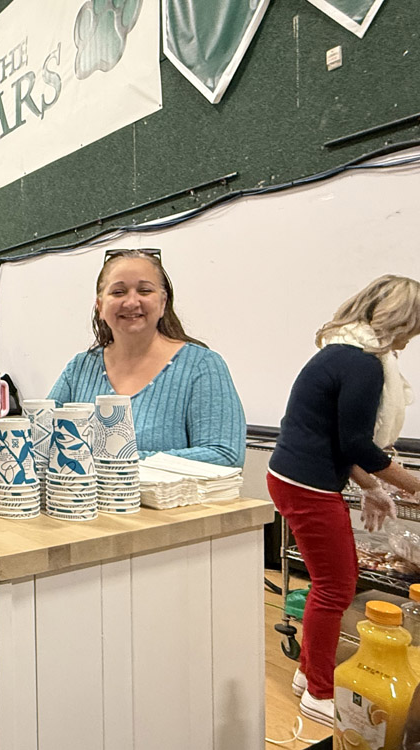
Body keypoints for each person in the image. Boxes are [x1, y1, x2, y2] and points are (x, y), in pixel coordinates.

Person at [268, 274, 420, 726]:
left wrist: (373, 488)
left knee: (332, 582)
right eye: (414, 328)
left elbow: (338, 439)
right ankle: (319, 692)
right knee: (336, 587)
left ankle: (307, 673)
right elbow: (357, 445)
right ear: (401, 320)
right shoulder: (362, 363)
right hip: (307, 483)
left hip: (295, 476)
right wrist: (412, 485)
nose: (412, 339)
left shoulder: (342, 354)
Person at [48, 248, 245, 466]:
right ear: (100, 306)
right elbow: (40, 440)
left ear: (163, 303)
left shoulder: (202, 366)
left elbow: (225, 455)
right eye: (118, 292)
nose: (131, 302)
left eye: (144, 291)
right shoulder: (79, 368)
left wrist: (120, 461)